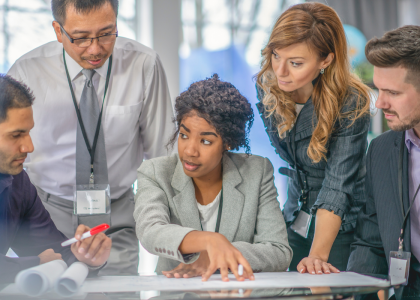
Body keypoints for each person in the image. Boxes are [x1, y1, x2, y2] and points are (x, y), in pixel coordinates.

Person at [7, 0, 174, 275]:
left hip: (117, 215)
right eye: (81, 38)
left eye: (107, 34)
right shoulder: (27, 72)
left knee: (117, 294)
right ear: (58, 31)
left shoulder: (143, 64)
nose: (95, 49)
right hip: (45, 214)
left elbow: (162, 156)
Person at [134, 75, 292, 282]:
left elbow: (279, 251)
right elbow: (151, 231)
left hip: (237, 294)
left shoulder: (256, 170)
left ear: (228, 142)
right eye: (184, 135)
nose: (190, 150)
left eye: (206, 141)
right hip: (178, 293)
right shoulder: (155, 172)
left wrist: (216, 256)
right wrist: (209, 241)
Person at [256, 2, 371, 274]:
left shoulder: (350, 101)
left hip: (341, 224)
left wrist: (317, 256)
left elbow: (337, 186)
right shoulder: (268, 85)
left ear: (326, 60)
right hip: (295, 213)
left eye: (295, 63)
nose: (280, 71)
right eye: (275, 55)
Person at [0, 74, 112, 283]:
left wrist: (86, 256)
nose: (29, 147)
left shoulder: (18, 183)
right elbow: (42, 259)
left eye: (28, 133)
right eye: (16, 135)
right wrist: (33, 264)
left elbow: (53, 251)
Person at [347, 26, 420, 298]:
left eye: (393, 93)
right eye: (378, 89)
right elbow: (370, 240)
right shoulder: (380, 149)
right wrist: (355, 290)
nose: (380, 104)